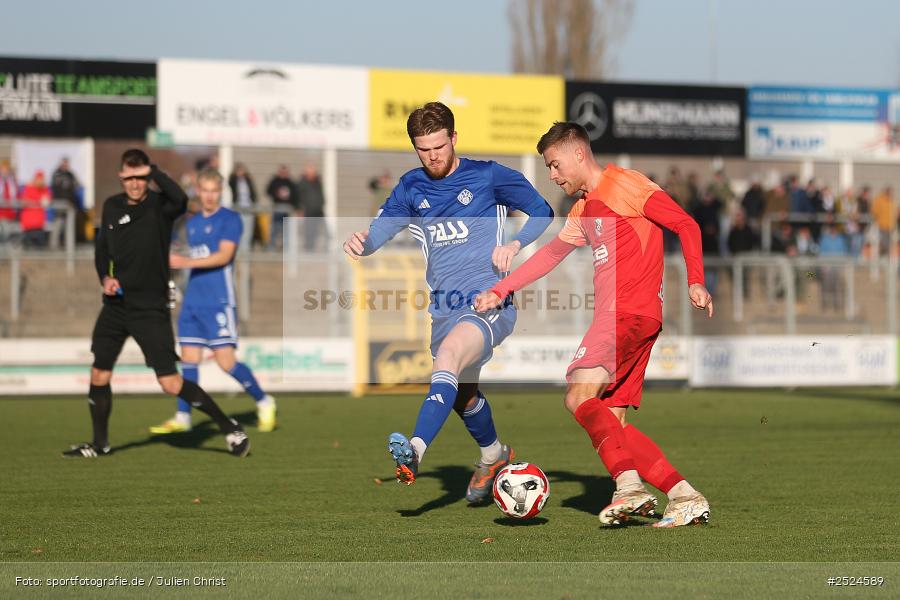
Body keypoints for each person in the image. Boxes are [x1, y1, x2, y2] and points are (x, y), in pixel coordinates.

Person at [474, 122, 713, 528]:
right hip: (641, 319)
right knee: (613, 424)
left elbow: (686, 224)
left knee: (577, 395)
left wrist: (696, 279)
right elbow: (550, 255)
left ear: (579, 154)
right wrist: (502, 289)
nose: (552, 175)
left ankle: (629, 487)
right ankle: (683, 495)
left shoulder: (625, 184)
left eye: (554, 164)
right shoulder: (583, 210)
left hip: (624, 313)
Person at [342, 102, 553, 502]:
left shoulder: (488, 176)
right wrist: (362, 243)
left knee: (450, 358)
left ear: (454, 138)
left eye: (439, 146)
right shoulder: (410, 187)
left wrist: (516, 243)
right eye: (424, 149)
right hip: (443, 309)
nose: (433, 155)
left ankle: (415, 451)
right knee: (461, 393)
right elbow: (377, 235)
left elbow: (542, 210)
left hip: (490, 300)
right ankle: (493, 455)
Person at [63, 149, 250, 458]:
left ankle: (229, 427)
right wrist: (104, 279)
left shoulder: (159, 206)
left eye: (141, 177)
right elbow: (102, 252)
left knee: (170, 383)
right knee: (99, 373)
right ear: (121, 176)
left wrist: (155, 172)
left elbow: (179, 197)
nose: (136, 184)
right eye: (130, 177)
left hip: (150, 309)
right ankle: (99, 445)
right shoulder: (111, 206)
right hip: (116, 306)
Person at [149, 167, 276, 435]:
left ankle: (264, 401)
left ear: (221, 192)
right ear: (198, 191)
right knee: (189, 360)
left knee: (226, 362)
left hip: (218, 301)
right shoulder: (192, 223)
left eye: (214, 191)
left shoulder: (230, 219)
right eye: (204, 191)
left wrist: (184, 261)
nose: (208, 196)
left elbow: (223, 256)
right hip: (192, 300)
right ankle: (183, 417)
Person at [266, 165, 297, 250]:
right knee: (275, 228)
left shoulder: (290, 182)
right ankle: (272, 247)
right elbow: (268, 191)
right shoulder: (275, 181)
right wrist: (276, 194)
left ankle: (287, 247)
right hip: (277, 208)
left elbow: (295, 194)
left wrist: (294, 205)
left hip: (287, 208)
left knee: (287, 229)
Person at [228, 163, 258, 253]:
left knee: (248, 231)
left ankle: (246, 252)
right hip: (238, 208)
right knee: (238, 231)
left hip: (248, 208)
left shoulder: (248, 180)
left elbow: (253, 193)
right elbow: (231, 182)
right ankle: (238, 252)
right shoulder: (234, 180)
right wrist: (236, 176)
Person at [296, 163, 325, 252]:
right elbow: (298, 198)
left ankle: (314, 249)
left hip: (318, 211)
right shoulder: (301, 183)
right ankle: (308, 249)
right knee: (308, 232)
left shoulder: (317, 182)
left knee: (318, 232)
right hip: (307, 212)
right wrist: (299, 210)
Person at [20, 170, 50, 249]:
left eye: (41, 179)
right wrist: (36, 202)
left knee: (39, 249)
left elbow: (46, 202)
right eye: (38, 179)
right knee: (27, 248)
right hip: (28, 224)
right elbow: (24, 201)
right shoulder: (28, 188)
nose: (40, 181)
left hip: (39, 224)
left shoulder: (45, 189)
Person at [0, 160, 18, 244]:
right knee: (4, 230)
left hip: (10, 212)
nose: (5, 171)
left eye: (6, 169)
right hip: (1, 212)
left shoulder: (12, 182)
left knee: (8, 231)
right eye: (3, 169)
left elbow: (16, 195)